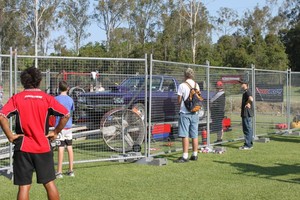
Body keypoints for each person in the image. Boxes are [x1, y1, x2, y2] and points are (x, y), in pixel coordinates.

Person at [0, 67, 70, 200]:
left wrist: (10, 136)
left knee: (24, 186)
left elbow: (2, 116)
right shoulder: (47, 98)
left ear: (23, 81)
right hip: (43, 146)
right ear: (39, 81)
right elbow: (66, 115)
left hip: (23, 147)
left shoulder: (17, 98)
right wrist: (55, 132)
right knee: (49, 184)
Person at [175, 68, 200, 163]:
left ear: (185, 75)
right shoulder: (196, 85)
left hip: (185, 112)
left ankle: (185, 156)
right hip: (195, 112)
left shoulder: (182, 85)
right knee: (194, 134)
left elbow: (179, 100)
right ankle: (195, 154)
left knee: (184, 134)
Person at [55, 81, 75, 178]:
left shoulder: (56, 99)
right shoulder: (70, 99)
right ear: (67, 88)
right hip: (69, 126)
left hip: (59, 127)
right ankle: (71, 170)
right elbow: (72, 110)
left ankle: (59, 171)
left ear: (59, 88)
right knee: (70, 147)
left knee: (60, 147)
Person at [239, 80, 254, 150]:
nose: (240, 85)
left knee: (247, 129)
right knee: (249, 129)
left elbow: (251, 98)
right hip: (247, 114)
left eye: (241, 83)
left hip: (246, 114)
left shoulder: (247, 91)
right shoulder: (246, 91)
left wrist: (248, 103)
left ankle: (247, 145)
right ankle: (249, 144)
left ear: (245, 84)